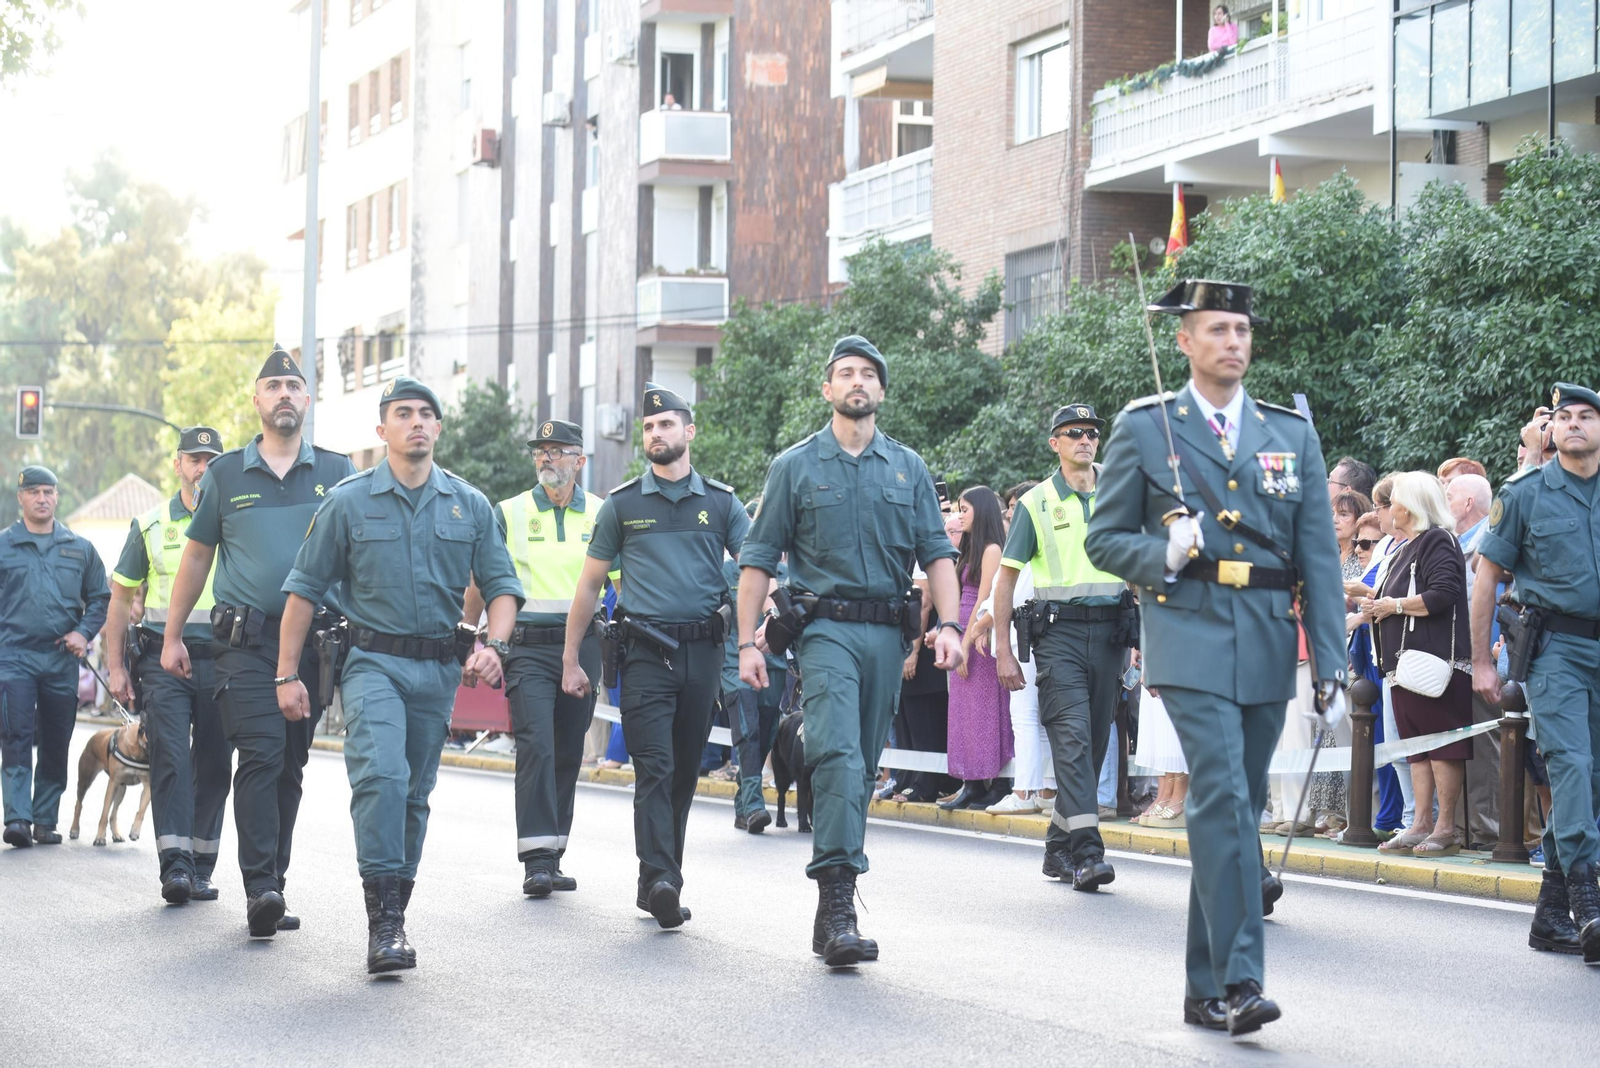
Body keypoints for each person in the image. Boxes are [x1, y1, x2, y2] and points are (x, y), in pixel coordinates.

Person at [1085, 279, 1347, 1036]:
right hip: (1189, 628)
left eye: (1242, 329)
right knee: (1227, 798)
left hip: (1267, 631)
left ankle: (1201, 987)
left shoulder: (1289, 433)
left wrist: (1329, 662)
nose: (1234, 341)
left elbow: (1319, 558)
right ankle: (1240, 981)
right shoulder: (1145, 428)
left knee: (1228, 808)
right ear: (1184, 341)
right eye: (1218, 329)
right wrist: (1160, 550)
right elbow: (1105, 540)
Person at [278, 376, 520, 972]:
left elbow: (502, 587)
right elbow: (303, 591)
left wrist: (497, 646)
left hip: (438, 670)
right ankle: (383, 923)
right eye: (402, 414)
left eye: (426, 414)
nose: (416, 422)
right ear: (381, 430)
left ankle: (396, 909)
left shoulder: (470, 504)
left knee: (414, 795)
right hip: (371, 664)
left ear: (439, 428)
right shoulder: (348, 500)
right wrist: (287, 674)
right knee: (382, 778)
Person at [736, 335, 963, 967]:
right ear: (828, 390)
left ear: (881, 390)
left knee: (862, 767)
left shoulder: (907, 468)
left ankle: (833, 902)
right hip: (825, 630)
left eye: (869, 373)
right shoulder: (796, 465)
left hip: (890, 635)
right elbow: (757, 560)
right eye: (845, 373)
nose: (857, 382)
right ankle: (837, 897)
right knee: (833, 753)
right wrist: (744, 646)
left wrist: (947, 625)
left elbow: (937, 555)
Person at [161, 347, 356, 938]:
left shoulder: (338, 470)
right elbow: (196, 557)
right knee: (263, 755)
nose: (284, 395)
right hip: (243, 645)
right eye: (273, 386)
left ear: (307, 398)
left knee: (291, 765)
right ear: (256, 400)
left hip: (314, 647)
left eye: (293, 385)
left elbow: (359, 555)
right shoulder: (224, 474)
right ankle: (260, 888)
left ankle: (275, 877)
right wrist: (173, 635)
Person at [560, 382, 749, 930]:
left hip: (703, 654)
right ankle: (665, 878)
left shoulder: (722, 502)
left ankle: (654, 881)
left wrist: (755, 632)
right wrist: (572, 660)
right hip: (644, 655)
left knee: (685, 773)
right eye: (648, 427)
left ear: (688, 431)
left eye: (666, 424)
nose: (655, 433)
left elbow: (755, 562)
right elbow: (589, 585)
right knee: (655, 769)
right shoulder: (622, 505)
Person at [1473, 382, 1600, 962]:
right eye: (1564, 417)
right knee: (1570, 765)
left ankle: (1551, 912)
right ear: (1550, 432)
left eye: (1586, 416)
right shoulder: (1522, 493)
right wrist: (1479, 660)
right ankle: (1588, 899)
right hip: (1555, 650)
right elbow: (1486, 577)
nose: (1574, 424)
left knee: (1591, 778)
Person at [992, 403, 1130, 892]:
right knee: (1071, 740)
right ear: (1054, 443)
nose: (1085, 440)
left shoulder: (1120, 490)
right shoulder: (1036, 503)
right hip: (1060, 637)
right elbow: (1005, 580)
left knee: (1088, 751)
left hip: (1112, 634)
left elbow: (1139, 566)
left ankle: (1056, 846)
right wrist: (1003, 650)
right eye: (1073, 433)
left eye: (1091, 433)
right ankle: (1088, 853)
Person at [464, 419, 603, 896]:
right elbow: (482, 582)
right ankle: (536, 860)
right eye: (540, 451)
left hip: (584, 648)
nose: (546, 458)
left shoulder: (603, 514)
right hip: (526, 648)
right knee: (537, 747)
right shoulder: (509, 512)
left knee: (568, 750)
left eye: (557, 451)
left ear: (580, 461)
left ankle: (555, 851)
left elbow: (621, 584)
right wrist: (470, 636)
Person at [104, 426, 232, 903]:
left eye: (211, 461)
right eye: (194, 460)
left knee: (217, 764)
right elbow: (119, 600)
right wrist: (116, 667)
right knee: (172, 757)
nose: (202, 469)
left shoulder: (236, 522)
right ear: (177, 465)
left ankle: (201, 864)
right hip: (163, 658)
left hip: (225, 658)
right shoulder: (152, 524)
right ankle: (175, 866)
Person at [1362, 472, 1472, 858]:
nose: (1388, 509)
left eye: (1392, 502)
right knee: (1417, 748)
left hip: (1434, 665)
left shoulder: (1437, 539)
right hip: (1405, 668)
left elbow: (1444, 593)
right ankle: (1421, 822)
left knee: (1441, 746)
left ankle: (1445, 828)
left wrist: (1391, 606)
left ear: (1406, 506)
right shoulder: (1405, 546)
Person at [1, 465, 110, 848]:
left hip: (61, 657)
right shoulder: (4, 545)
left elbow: (100, 597)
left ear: (57, 496)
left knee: (56, 737)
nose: (42, 498)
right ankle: (17, 817)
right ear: (21, 498)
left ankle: (45, 818)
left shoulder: (78, 547)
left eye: (48, 492)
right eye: (34, 492)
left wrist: (83, 633)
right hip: (13, 656)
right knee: (15, 734)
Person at [941, 487, 1012, 810]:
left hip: (979, 636)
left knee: (984, 710)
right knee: (964, 712)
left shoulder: (993, 548)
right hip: (962, 629)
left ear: (980, 511)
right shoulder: (970, 547)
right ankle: (971, 781)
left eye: (965, 509)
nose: (960, 515)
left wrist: (966, 644)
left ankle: (995, 781)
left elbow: (986, 600)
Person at [722, 498, 786, 833]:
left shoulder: (787, 573)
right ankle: (755, 802)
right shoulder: (727, 572)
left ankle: (743, 802)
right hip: (734, 665)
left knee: (765, 731)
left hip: (774, 666)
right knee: (746, 731)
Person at [1333, 490, 1374, 581]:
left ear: (1359, 519)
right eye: (1332, 514)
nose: (1334, 520)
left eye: (1343, 514)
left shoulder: (1364, 558)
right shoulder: (1328, 554)